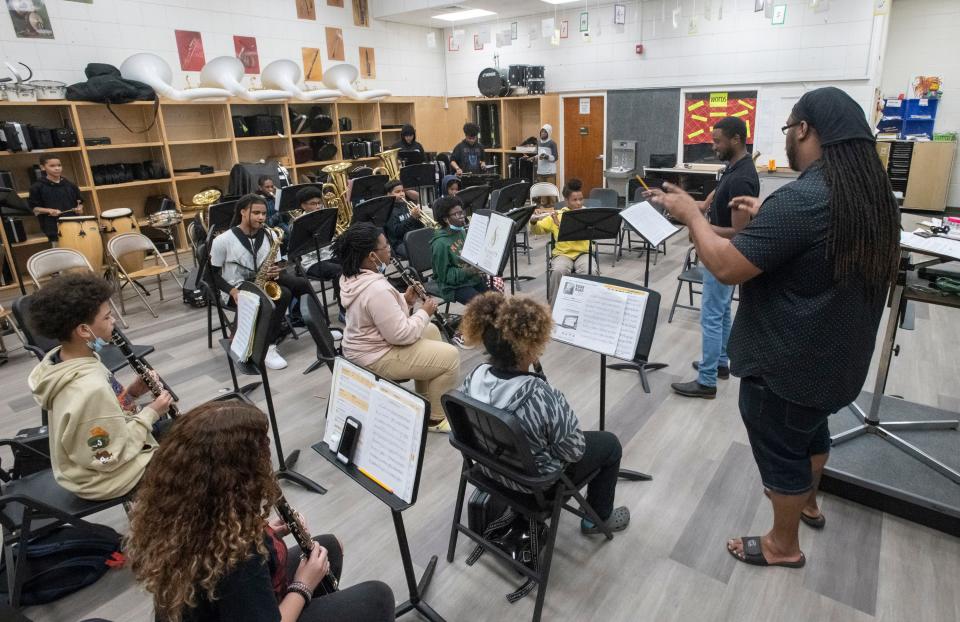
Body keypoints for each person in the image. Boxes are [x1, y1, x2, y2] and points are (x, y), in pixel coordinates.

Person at [647, 87, 900, 569]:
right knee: (813, 432)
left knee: (782, 450)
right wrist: (770, 222)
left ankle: (782, 545)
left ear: (804, 129)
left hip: (789, 362)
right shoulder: (870, 199)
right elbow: (820, 246)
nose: (786, 138)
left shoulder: (804, 199)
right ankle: (808, 502)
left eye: (787, 128)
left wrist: (689, 215)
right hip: (838, 361)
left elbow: (724, 266)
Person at [126, 400, 396, 622]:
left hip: (217, 607)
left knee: (327, 547)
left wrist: (267, 531)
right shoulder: (240, 555)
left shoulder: (184, 509)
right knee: (377, 596)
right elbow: (241, 574)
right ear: (237, 473)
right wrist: (302, 586)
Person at [460, 293, 630, 534]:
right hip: (534, 486)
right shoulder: (541, 396)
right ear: (529, 348)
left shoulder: (474, 376)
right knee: (610, 444)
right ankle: (597, 519)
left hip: (489, 470)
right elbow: (574, 450)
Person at [26, 273, 173, 501]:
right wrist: (151, 413)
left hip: (91, 461)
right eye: (107, 317)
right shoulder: (88, 388)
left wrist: (131, 393)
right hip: (107, 477)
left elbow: (101, 416)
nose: (113, 321)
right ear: (84, 330)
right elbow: (109, 456)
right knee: (195, 458)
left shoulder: (64, 360)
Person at [335, 223, 460, 432]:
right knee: (450, 357)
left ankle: (423, 401)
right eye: (385, 247)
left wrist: (407, 300)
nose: (390, 249)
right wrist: (424, 312)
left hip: (363, 347)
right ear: (371, 256)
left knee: (431, 331)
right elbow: (400, 335)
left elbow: (378, 314)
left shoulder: (352, 276)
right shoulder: (376, 289)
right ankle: (435, 420)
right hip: (375, 356)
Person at [671, 117, 760, 399]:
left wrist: (698, 226)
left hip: (724, 253)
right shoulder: (732, 169)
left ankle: (707, 380)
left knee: (711, 315)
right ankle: (720, 364)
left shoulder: (742, 178)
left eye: (718, 140)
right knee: (721, 312)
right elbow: (713, 199)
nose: (713, 145)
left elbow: (738, 231)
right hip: (718, 250)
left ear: (736, 139)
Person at [209, 193, 315, 370]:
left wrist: (277, 269)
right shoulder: (222, 240)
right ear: (243, 212)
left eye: (264, 213)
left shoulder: (269, 234)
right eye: (256, 213)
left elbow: (278, 262)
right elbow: (210, 275)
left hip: (263, 279)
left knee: (301, 284)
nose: (261, 217)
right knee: (283, 296)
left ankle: (319, 326)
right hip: (236, 287)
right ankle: (268, 347)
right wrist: (232, 291)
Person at [529, 178, 588, 303]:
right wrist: (534, 221)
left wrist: (560, 226)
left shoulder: (587, 214)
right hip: (562, 255)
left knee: (589, 270)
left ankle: (586, 306)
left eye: (581, 199)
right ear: (566, 201)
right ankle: (554, 308)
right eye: (575, 200)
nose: (579, 203)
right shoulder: (558, 214)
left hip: (584, 253)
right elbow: (537, 230)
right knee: (557, 271)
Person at [293, 186, 345, 322]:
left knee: (354, 262)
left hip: (330, 256)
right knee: (339, 271)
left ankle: (357, 304)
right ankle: (344, 311)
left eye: (318, 203)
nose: (317, 207)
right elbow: (296, 249)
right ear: (303, 205)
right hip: (312, 263)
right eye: (313, 204)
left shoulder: (326, 217)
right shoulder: (298, 224)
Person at [431, 196, 488, 305]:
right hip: (453, 286)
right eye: (457, 214)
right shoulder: (440, 244)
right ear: (445, 219)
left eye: (462, 212)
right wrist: (469, 271)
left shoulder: (461, 231)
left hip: (470, 277)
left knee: (496, 299)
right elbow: (445, 277)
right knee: (482, 306)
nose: (462, 216)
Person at [28, 154, 83, 245]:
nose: (57, 168)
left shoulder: (70, 184)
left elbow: (80, 201)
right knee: (61, 256)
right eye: (52, 166)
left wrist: (79, 208)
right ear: (42, 167)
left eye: (59, 165)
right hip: (53, 228)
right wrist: (49, 210)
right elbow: (34, 208)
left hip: (74, 225)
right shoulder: (37, 187)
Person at [383, 179, 424, 259]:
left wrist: (418, 218)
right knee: (417, 253)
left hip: (413, 237)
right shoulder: (388, 211)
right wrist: (412, 218)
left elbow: (417, 227)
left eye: (402, 191)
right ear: (388, 194)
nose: (402, 194)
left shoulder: (405, 205)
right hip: (400, 243)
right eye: (397, 192)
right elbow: (396, 232)